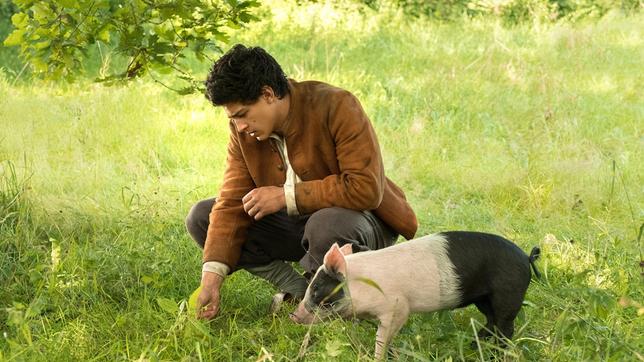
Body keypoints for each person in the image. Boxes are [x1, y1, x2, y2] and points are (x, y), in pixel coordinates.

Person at [185, 44, 418, 320]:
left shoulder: (337, 104)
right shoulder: (244, 133)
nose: (240, 127)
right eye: (233, 119)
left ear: (268, 94)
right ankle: (300, 290)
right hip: (301, 227)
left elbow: (366, 189)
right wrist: (211, 281)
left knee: (327, 224)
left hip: (360, 224)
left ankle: (343, 300)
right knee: (202, 216)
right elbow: (231, 202)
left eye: (242, 115)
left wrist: (285, 196)